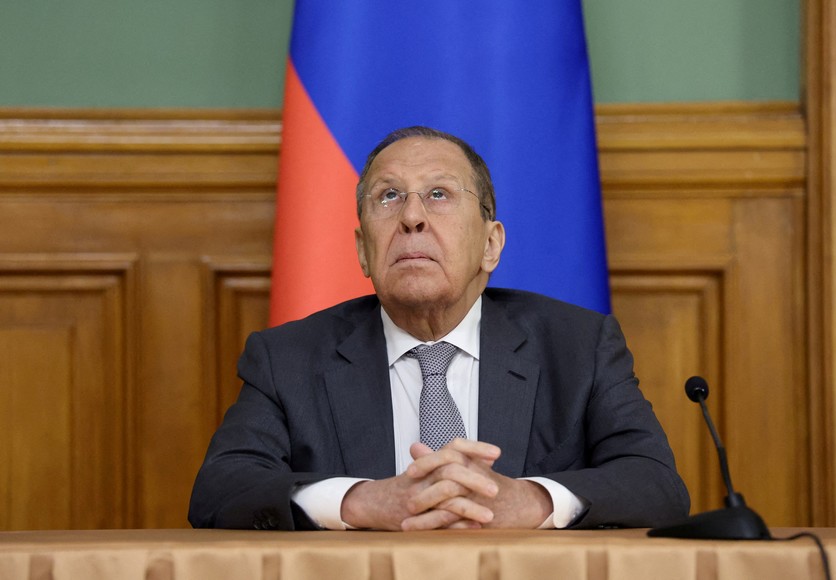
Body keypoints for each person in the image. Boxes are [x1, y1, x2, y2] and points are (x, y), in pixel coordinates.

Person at [188, 126, 690, 531]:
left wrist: (532, 501)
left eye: (439, 194)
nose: (411, 217)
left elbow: (656, 484)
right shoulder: (289, 357)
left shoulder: (579, 346)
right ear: (364, 251)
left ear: (491, 245)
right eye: (388, 196)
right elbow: (221, 488)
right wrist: (363, 501)